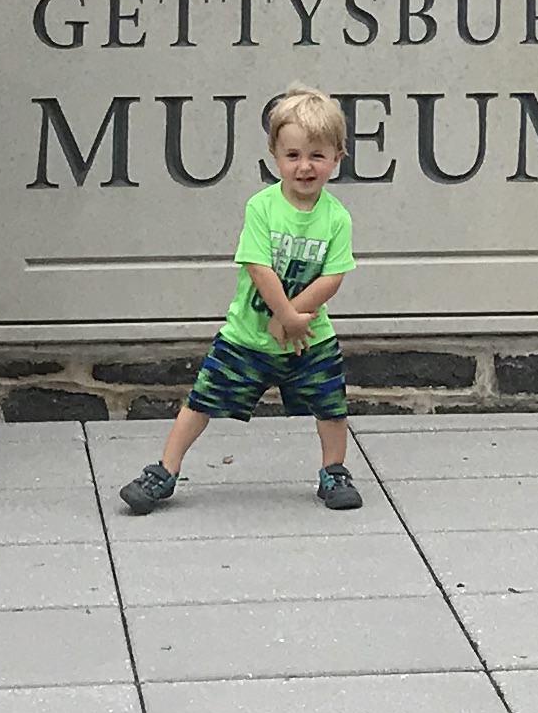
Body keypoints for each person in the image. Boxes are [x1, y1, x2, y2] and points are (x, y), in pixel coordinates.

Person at [118, 86, 363, 517]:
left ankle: (334, 471)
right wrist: (282, 314)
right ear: (274, 156)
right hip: (247, 336)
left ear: (338, 157)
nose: (305, 166)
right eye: (293, 155)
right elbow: (258, 266)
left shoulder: (337, 218)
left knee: (330, 405)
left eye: (317, 156)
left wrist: (292, 319)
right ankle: (164, 471)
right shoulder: (262, 208)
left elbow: (334, 276)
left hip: (308, 338)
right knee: (202, 400)